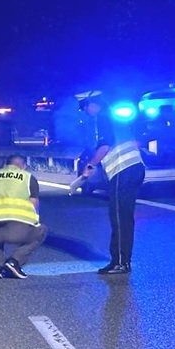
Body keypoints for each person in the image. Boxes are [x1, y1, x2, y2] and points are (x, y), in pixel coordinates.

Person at [69, 91, 144, 275]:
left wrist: (89, 167)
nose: (85, 111)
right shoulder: (116, 119)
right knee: (125, 218)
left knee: (118, 217)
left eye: (85, 107)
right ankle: (123, 260)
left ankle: (119, 262)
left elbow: (105, 146)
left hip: (123, 170)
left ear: (93, 104)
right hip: (134, 169)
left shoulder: (103, 118)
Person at [0, 153, 48, 279]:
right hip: (17, 226)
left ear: (6, 165)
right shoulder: (27, 177)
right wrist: (34, 221)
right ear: (24, 166)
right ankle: (14, 262)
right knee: (42, 230)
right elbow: (34, 203)